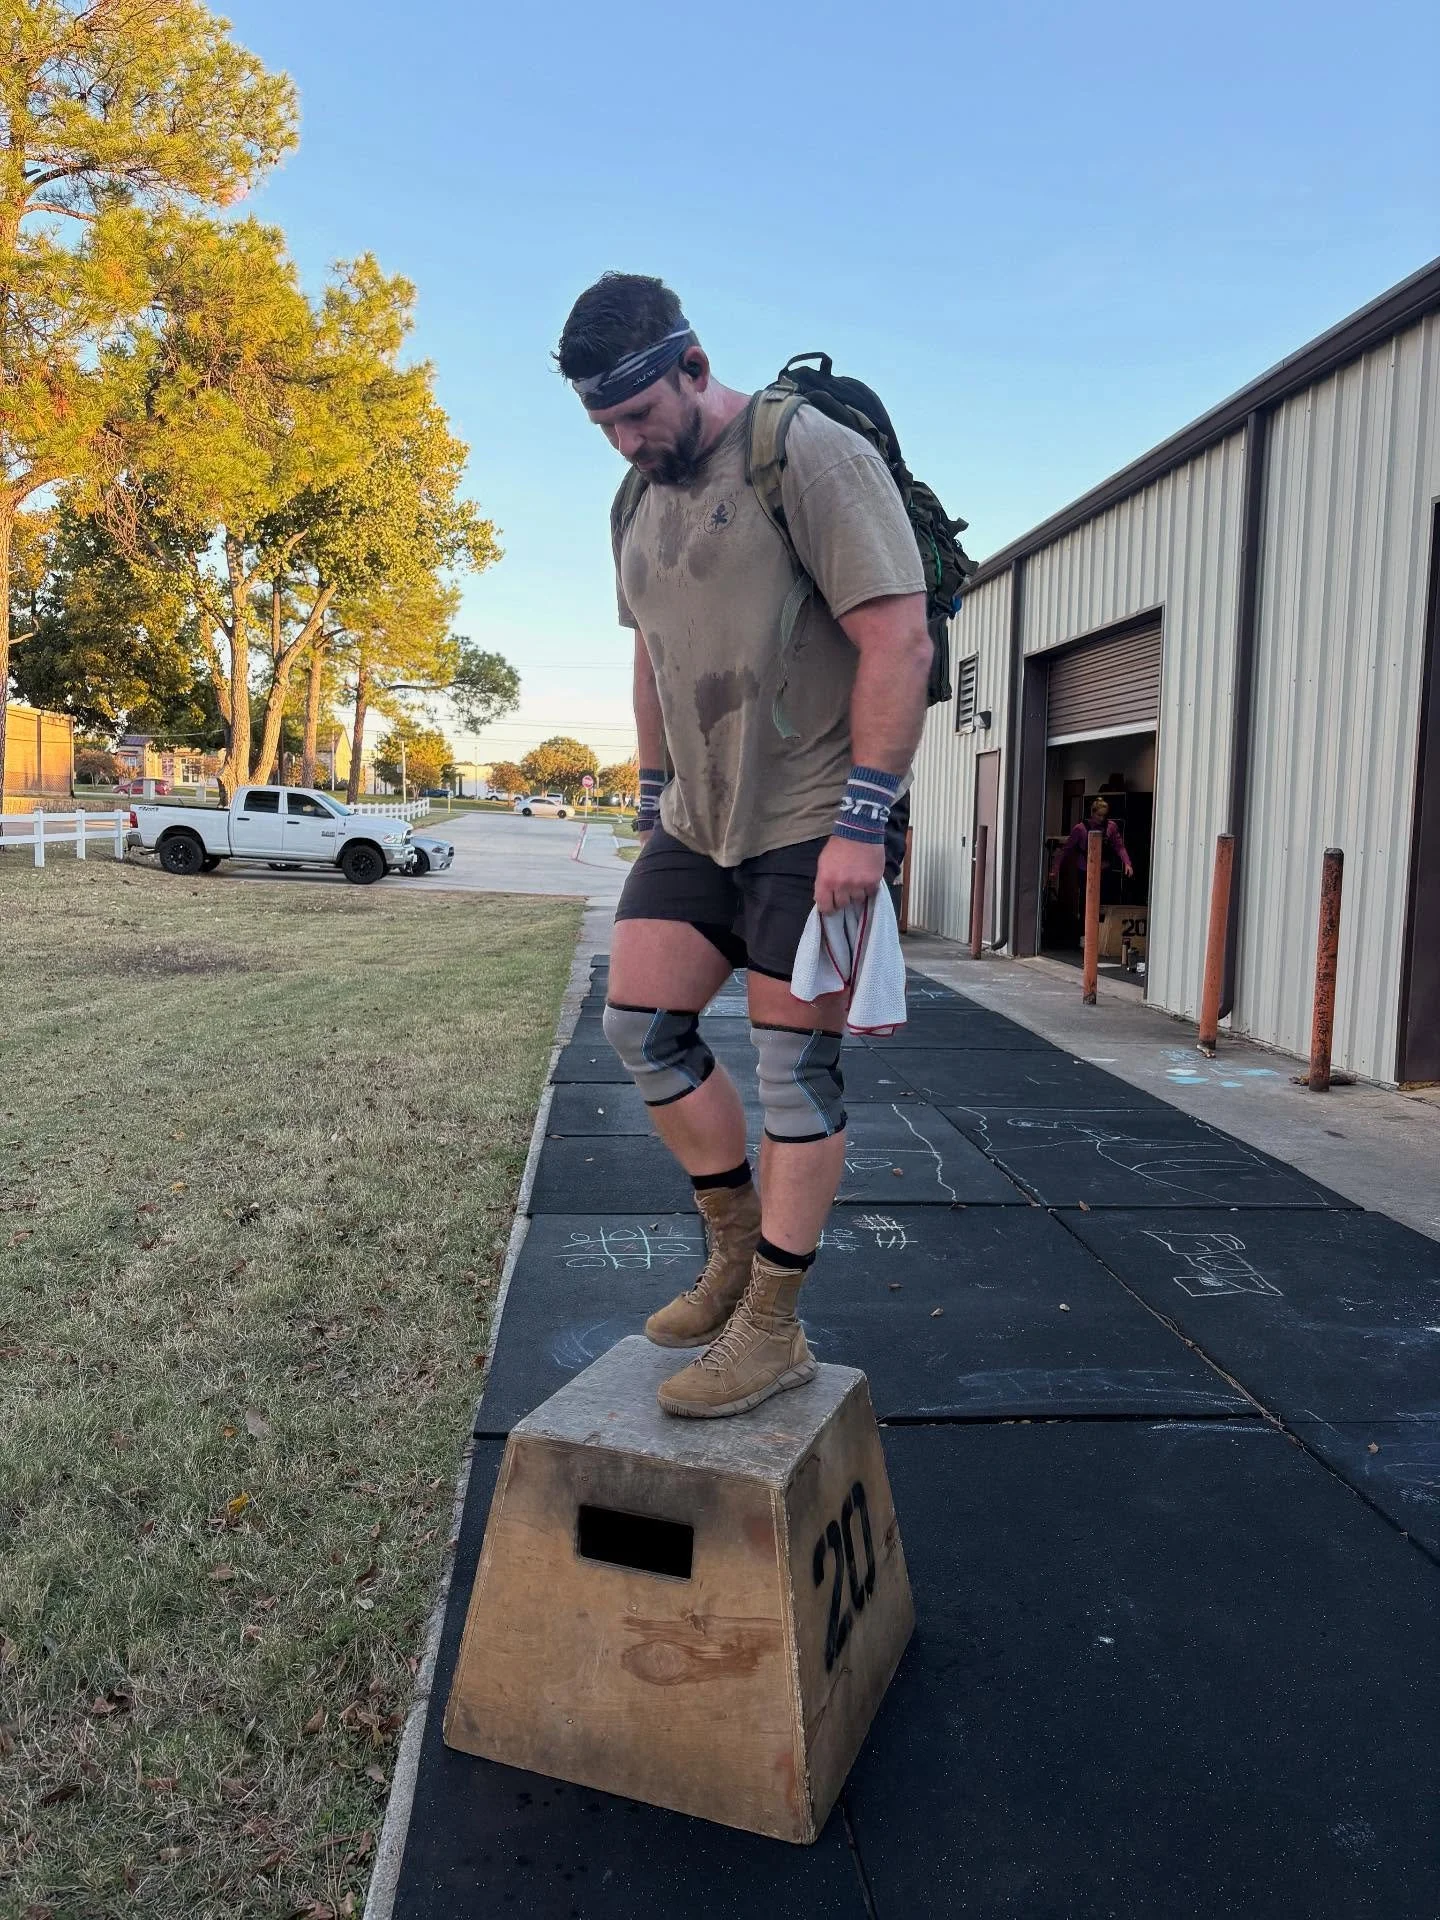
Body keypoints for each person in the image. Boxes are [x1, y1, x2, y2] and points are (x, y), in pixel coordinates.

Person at [556, 272, 931, 1419]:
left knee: (792, 1073)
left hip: (814, 812)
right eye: (603, 424)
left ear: (693, 364)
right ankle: (730, 1258)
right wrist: (653, 784)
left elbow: (899, 640)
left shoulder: (801, 451)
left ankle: (775, 1325)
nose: (626, 439)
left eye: (638, 413)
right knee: (642, 1024)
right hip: (697, 822)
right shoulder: (635, 500)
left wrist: (866, 821)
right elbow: (649, 651)